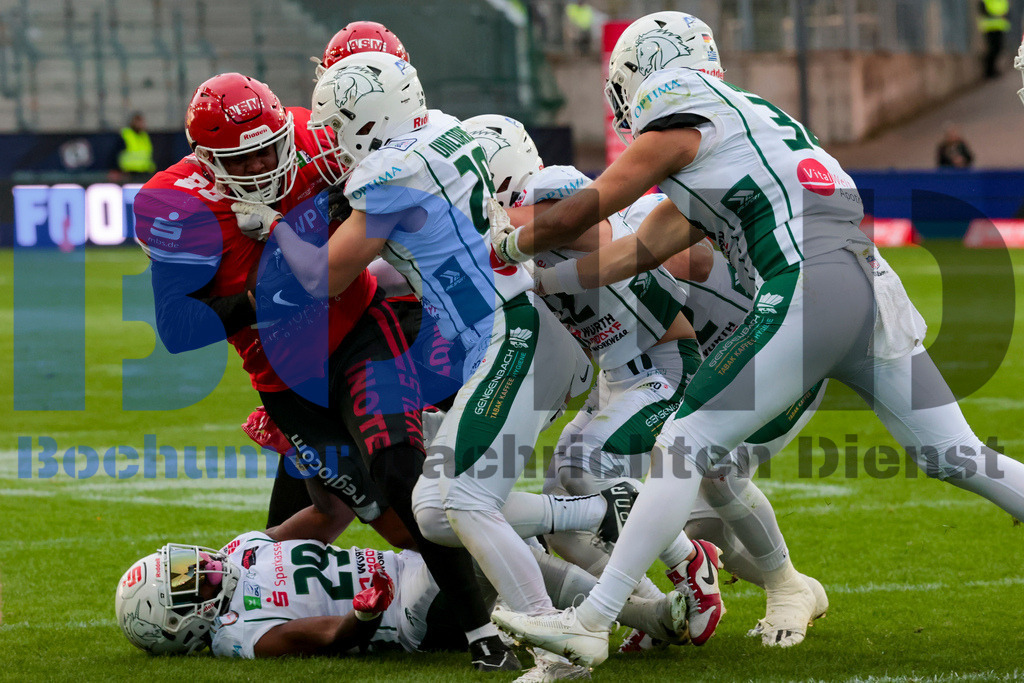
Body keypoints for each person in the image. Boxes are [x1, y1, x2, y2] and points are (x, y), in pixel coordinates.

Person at [488, 11, 1024, 668]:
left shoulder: (680, 103)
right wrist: (540, 281)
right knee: (955, 453)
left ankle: (592, 619)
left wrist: (509, 243)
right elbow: (636, 253)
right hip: (867, 284)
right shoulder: (742, 129)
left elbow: (590, 206)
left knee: (682, 444)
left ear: (646, 72)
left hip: (809, 281)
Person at [133, 71, 516, 672]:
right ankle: (509, 575)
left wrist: (351, 207)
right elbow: (178, 329)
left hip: (360, 328)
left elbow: (401, 154)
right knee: (389, 522)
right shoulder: (176, 204)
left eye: (270, 146)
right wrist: (257, 302)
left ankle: (483, 634)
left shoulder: (318, 139)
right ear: (206, 160)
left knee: (401, 471)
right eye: (245, 155)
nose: (264, 162)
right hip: (286, 380)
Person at [259, 50, 604, 672]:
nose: (332, 143)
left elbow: (323, 277)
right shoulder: (444, 129)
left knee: (465, 502)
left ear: (365, 122)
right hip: (505, 324)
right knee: (434, 510)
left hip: (501, 334)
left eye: (337, 126)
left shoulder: (388, 172)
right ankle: (598, 524)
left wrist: (273, 227)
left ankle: (558, 646)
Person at [464, 113, 828, 649]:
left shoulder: (556, 192)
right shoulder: (534, 217)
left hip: (712, 357)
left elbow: (607, 230)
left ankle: (745, 577)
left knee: (697, 477)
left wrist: (490, 228)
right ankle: (649, 612)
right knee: (567, 513)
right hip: (628, 373)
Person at [114, 507, 687, 669]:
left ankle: (644, 614)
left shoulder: (242, 550)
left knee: (488, 532)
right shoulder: (234, 635)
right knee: (478, 533)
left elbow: (326, 515)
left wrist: (320, 451)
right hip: (408, 615)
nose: (202, 569)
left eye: (186, 566)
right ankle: (642, 607)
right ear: (179, 627)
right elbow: (315, 638)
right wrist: (360, 619)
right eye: (186, 587)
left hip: (407, 564)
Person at [114, 111, 157, 181]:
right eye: (138, 122)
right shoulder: (126, 135)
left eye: (141, 122)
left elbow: (148, 154)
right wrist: (116, 169)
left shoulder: (145, 136)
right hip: (128, 173)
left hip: (144, 172)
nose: (140, 124)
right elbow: (115, 153)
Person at [979, 0, 1011, 79]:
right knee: (993, 49)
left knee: (998, 48)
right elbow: (982, 10)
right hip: (990, 27)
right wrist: (996, 15)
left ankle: (992, 69)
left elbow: (1007, 12)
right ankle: (989, 70)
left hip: (1000, 27)